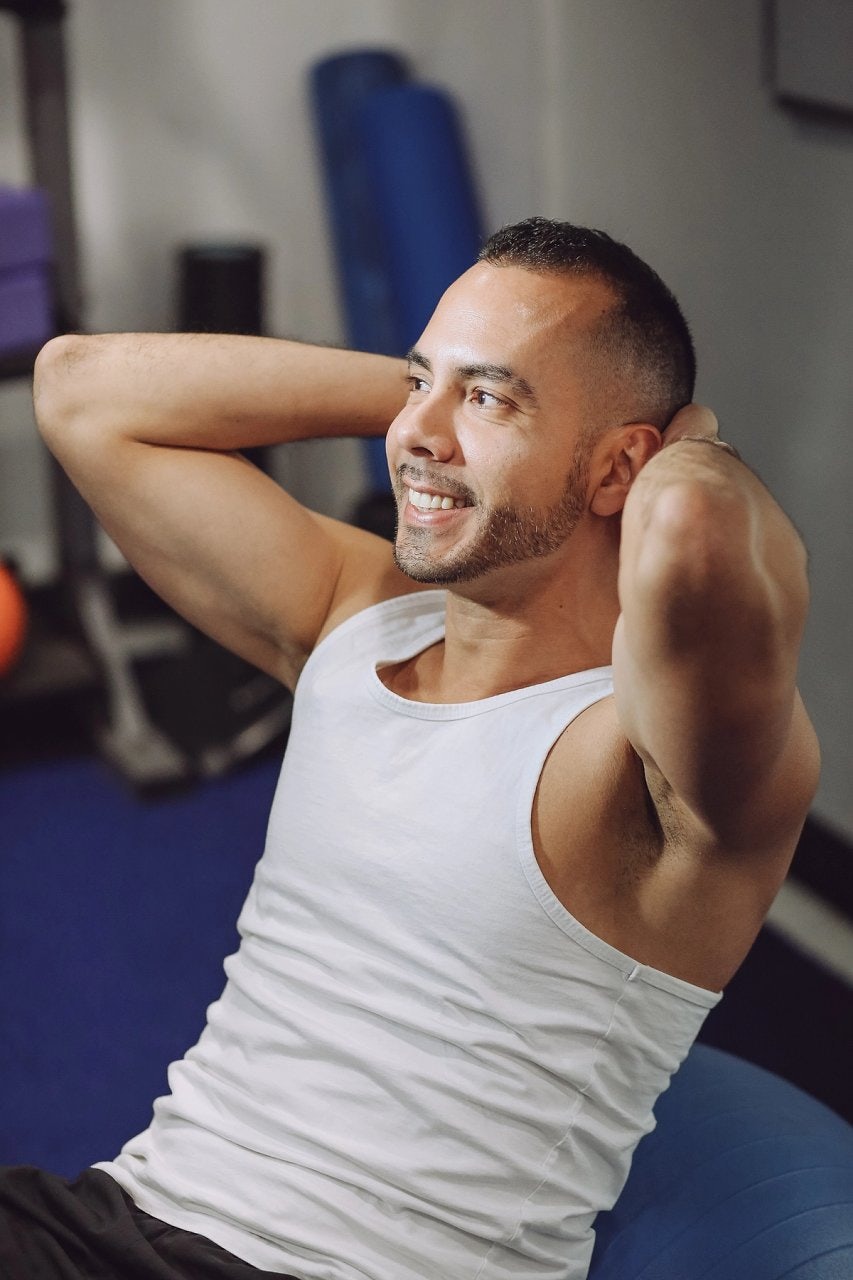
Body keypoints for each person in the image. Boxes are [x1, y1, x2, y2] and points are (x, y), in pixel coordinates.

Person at [12, 217, 818, 1280]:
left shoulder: (641, 759)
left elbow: (694, 543)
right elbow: (80, 387)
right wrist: (440, 400)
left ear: (627, 462)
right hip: (122, 1220)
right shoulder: (356, 614)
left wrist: (682, 444)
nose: (413, 434)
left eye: (489, 396)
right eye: (416, 380)